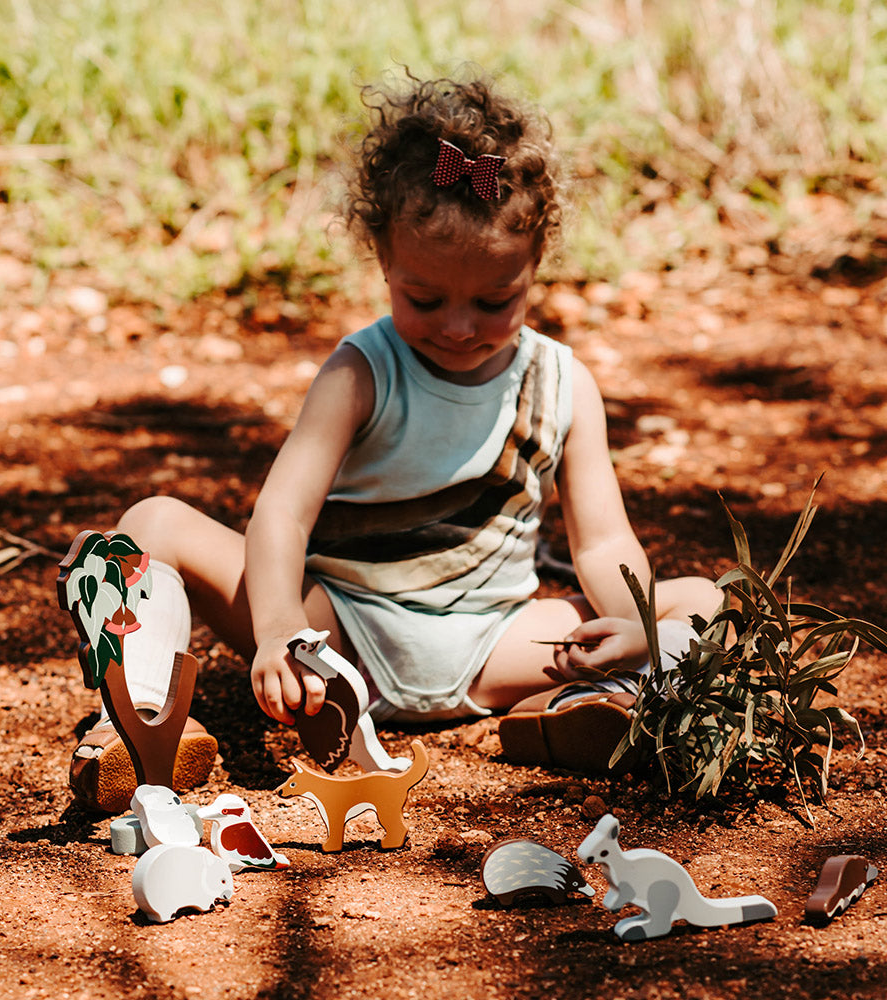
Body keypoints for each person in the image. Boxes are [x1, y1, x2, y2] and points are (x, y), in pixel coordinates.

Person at [69, 72, 719, 812]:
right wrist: (280, 627)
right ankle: (136, 722)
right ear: (383, 263)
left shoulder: (565, 383)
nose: (459, 326)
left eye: (494, 301)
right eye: (425, 299)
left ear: (536, 265)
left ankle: (584, 708)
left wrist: (631, 626)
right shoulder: (362, 372)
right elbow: (283, 514)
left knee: (703, 602)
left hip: (496, 645)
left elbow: (602, 544)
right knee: (150, 524)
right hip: (336, 636)